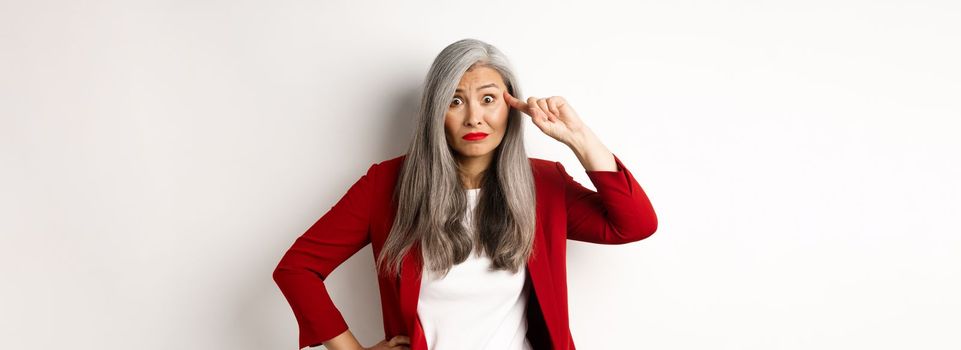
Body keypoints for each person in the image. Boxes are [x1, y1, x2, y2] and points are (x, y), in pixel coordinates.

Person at [272, 38, 659, 350]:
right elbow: (298, 269)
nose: (474, 116)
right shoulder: (387, 184)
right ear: (435, 112)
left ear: (511, 107)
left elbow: (634, 224)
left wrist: (578, 138)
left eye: (489, 99)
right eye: (455, 101)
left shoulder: (543, 183)